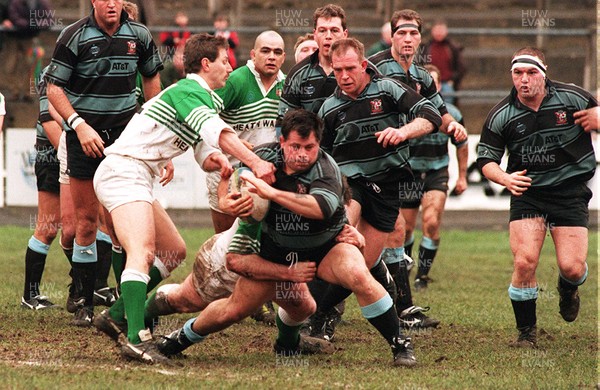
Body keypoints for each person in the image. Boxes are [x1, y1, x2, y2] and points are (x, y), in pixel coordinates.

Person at [156, 109, 418, 367]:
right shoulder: (263, 158)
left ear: (318, 144)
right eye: (295, 146)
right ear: (282, 141)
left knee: (358, 275)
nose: (302, 154)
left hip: (326, 248)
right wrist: (227, 200)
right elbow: (234, 184)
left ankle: (399, 344)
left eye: (310, 147)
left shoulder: (327, 170)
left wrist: (271, 193)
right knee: (234, 310)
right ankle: (180, 338)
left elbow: (319, 208)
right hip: (275, 252)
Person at [93, 33, 275, 365]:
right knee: (143, 251)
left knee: (173, 251)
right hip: (123, 170)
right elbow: (217, 132)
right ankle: (136, 339)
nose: (229, 66)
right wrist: (255, 161)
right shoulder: (190, 89)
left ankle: (115, 315)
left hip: (137, 174)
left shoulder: (203, 97)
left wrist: (218, 160)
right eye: (224, 60)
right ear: (205, 64)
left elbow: (205, 148)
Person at [45, 0, 164, 326]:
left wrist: (158, 136)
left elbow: (152, 81)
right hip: (83, 139)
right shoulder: (74, 35)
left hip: (127, 140)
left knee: (124, 225)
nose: (111, 3)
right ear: (94, 1)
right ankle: (84, 302)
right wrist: (78, 125)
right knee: (84, 222)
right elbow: (53, 88)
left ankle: (126, 304)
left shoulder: (139, 34)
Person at [315, 37, 442, 341]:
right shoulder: (329, 108)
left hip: (386, 186)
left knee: (364, 262)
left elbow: (431, 117)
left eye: (349, 69)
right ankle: (312, 318)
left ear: (362, 65)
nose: (344, 76)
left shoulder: (388, 89)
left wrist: (402, 131)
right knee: (339, 232)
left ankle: (320, 313)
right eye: (337, 70)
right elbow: (321, 156)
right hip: (350, 184)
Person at [477, 47, 596, 347]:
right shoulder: (501, 115)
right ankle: (526, 333)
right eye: (518, 73)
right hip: (528, 194)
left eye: (531, 73)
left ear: (544, 72)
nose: (524, 80)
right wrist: (504, 177)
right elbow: (486, 160)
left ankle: (567, 289)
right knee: (525, 261)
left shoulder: (573, 98)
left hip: (569, 193)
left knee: (573, 267)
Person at [368, 9, 466, 327]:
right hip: (370, 166)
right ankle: (324, 313)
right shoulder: (376, 67)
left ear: (419, 38)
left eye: (413, 33)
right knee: (371, 239)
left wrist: (454, 127)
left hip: (400, 168)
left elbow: (440, 111)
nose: (407, 39)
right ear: (392, 36)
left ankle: (402, 309)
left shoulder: (423, 78)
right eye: (401, 33)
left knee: (394, 235)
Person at [209, 30, 285, 234]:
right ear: (253, 54)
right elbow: (206, 115)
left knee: (259, 241)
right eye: (265, 51)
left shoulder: (287, 85)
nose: (271, 57)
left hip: (265, 173)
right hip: (228, 171)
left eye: (277, 52)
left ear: (284, 57)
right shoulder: (236, 80)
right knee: (224, 241)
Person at [400, 64, 468, 292]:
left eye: (434, 81)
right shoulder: (404, 111)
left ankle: (422, 275)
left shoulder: (452, 115)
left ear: (438, 86)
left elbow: (462, 144)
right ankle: (405, 266)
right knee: (405, 229)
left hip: (435, 173)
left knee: (430, 222)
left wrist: (462, 177)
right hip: (408, 174)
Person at [20, 68, 72, 310]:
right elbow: (47, 119)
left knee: (89, 226)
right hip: (52, 157)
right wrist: (75, 157)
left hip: (83, 155)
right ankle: (30, 295)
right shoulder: (53, 72)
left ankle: (90, 290)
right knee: (48, 227)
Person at [279, 4, 348, 117]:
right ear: (315, 34)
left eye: (334, 30)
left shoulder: (362, 69)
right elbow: (283, 121)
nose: (328, 36)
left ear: (345, 34)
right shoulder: (298, 73)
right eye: (322, 30)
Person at [3, 0, 51, 101]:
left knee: (31, 65)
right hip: (13, 37)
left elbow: (48, 20)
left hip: (30, 38)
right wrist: (33, 24)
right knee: (10, 65)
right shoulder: (15, 3)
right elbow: (15, 18)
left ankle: (27, 93)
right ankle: (14, 91)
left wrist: (31, 24)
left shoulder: (42, 3)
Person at [421, 19, 466, 105]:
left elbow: (461, 68)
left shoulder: (452, 48)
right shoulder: (426, 47)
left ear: (446, 32)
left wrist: (452, 79)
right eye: (437, 30)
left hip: (447, 83)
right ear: (432, 31)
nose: (439, 33)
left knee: (448, 108)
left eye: (441, 30)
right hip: (430, 82)